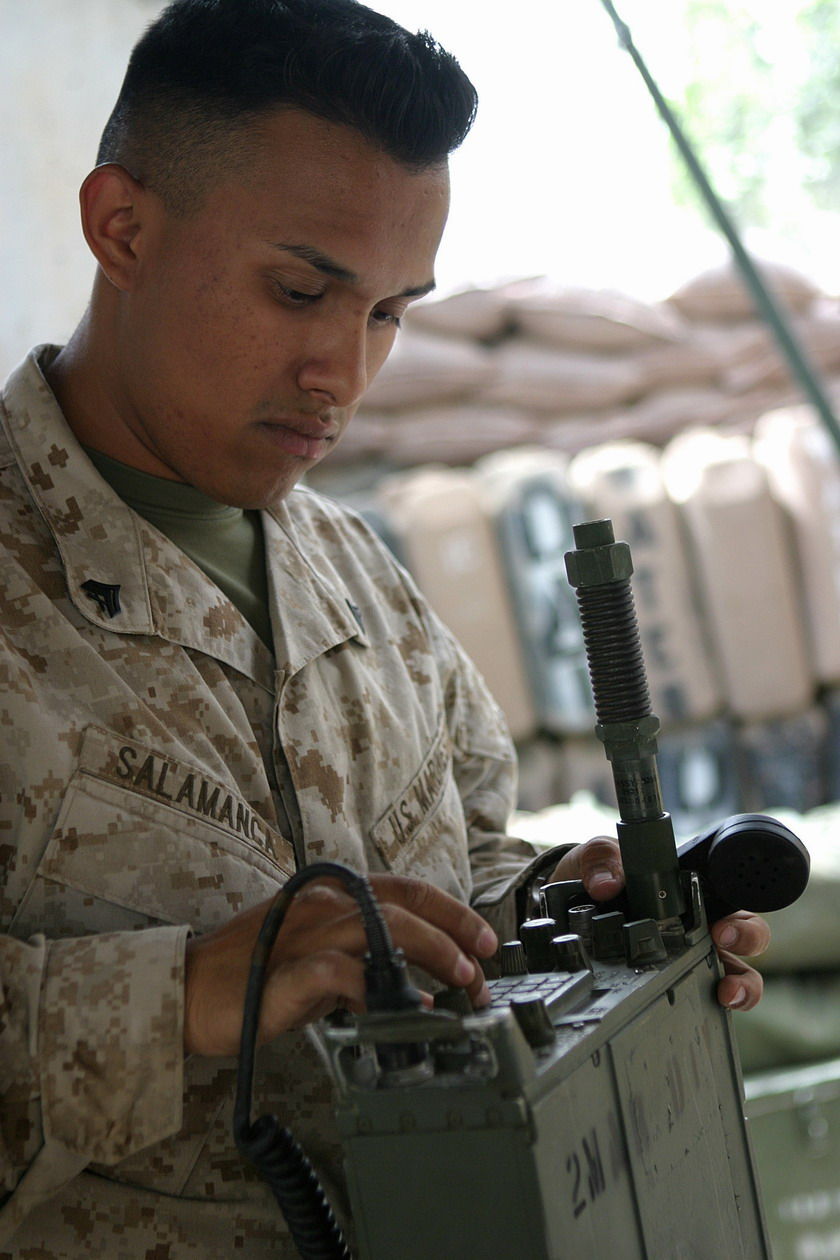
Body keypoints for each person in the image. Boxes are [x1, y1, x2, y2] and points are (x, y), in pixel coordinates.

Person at [0, 1, 770, 1255]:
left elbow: (462, 863)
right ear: (121, 227)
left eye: (388, 312)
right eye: (301, 289)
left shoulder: (359, 578)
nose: (344, 374)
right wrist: (183, 996)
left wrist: (554, 908)